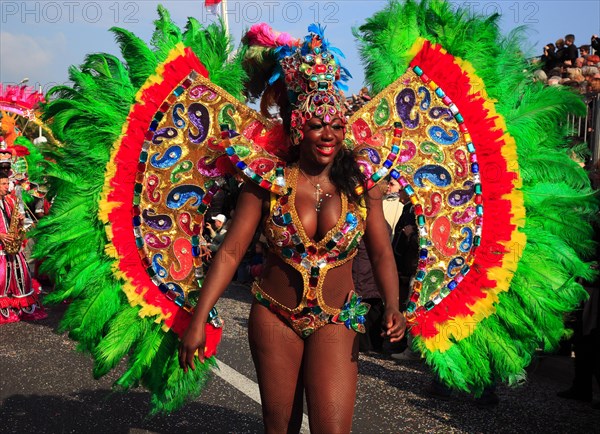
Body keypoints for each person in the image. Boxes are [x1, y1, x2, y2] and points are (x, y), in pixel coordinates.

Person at [179, 26, 406, 433]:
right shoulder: (266, 179)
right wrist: (198, 317)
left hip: (338, 317)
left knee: (332, 428)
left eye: (336, 125)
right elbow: (230, 252)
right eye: (318, 124)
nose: (328, 135)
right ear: (299, 125)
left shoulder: (361, 184)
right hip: (274, 315)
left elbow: (383, 252)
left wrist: (392, 304)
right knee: (279, 426)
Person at [0, 176, 45, 323]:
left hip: (13, 245)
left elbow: (18, 223)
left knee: (21, 274)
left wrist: (19, 220)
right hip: (1, 246)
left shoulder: (10, 200)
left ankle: (17, 305)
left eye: (8, 183)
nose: (7, 187)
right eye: (3, 184)